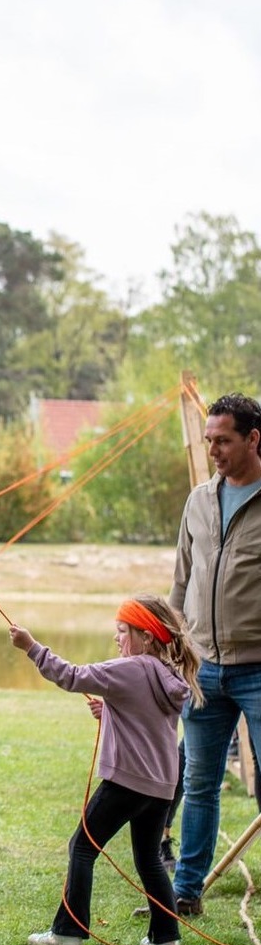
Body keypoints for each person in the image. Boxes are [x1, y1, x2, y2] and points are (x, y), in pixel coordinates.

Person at [10, 596, 200, 945]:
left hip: (127, 782)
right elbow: (145, 718)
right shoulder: (168, 673)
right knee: (148, 858)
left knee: (81, 847)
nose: (117, 638)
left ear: (146, 636)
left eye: (123, 631)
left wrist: (31, 647)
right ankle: (166, 941)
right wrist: (111, 711)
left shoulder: (131, 668)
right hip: (161, 787)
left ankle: (68, 933)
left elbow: (71, 676)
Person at [169, 391, 261, 917]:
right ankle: (186, 892)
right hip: (203, 669)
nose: (213, 451)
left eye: (223, 440)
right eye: (208, 440)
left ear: (254, 438)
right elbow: (181, 581)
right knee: (199, 783)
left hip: (258, 670)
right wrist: (174, 648)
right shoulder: (198, 501)